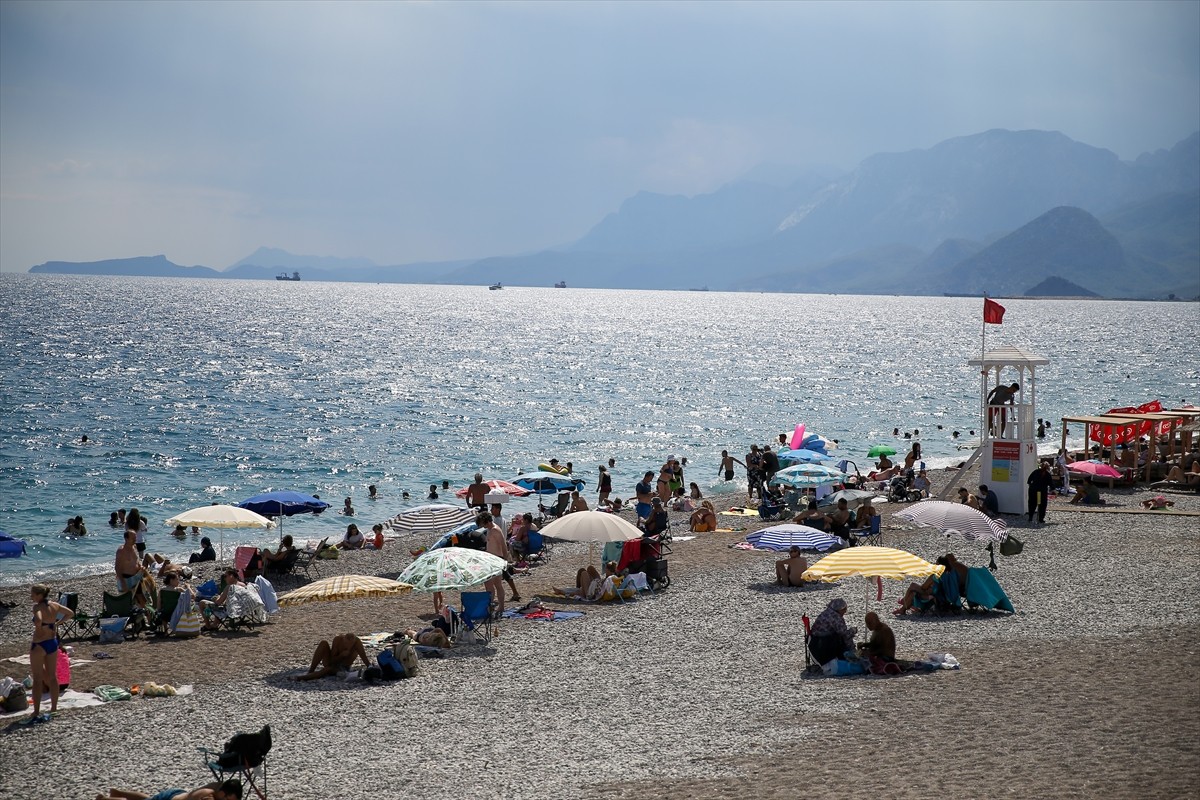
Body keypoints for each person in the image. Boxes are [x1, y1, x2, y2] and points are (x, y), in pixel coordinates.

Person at [26, 583, 72, 724]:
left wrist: (38, 627)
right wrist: (58, 623)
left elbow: (39, 619)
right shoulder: (54, 605)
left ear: (39, 595)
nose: (31, 597)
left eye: (33, 594)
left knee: (38, 679)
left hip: (39, 644)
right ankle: (53, 708)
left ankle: (36, 711)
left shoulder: (37, 607)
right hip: (52, 643)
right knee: (53, 677)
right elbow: (70, 613)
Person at [292, 633, 371, 681]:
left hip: (343, 668)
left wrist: (371, 668)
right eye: (346, 644)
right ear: (343, 640)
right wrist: (341, 655)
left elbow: (365, 659)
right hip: (332, 663)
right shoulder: (338, 640)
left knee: (326, 670)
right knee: (323, 643)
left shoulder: (357, 643)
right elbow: (331, 661)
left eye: (351, 644)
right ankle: (311, 670)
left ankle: (301, 678)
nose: (348, 646)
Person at [479, 512, 516, 611]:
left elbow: (503, 545)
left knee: (495, 584)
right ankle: (493, 605)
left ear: (486, 521)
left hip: (496, 559)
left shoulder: (495, 530)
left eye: (483, 523)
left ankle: (499, 606)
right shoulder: (490, 529)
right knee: (490, 584)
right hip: (491, 559)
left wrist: (504, 560)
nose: (482, 525)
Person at [808, 598, 856, 666]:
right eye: (844, 609)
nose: (845, 612)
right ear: (840, 609)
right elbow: (844, 634)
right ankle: (851, 655)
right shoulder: (836, 617)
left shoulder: (826, 613)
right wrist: (853, 631)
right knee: (843, 637)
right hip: (826, 646)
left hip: (814, 644)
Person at [94, 780, 243, 800]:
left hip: (177, 793)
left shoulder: (217, 785)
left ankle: (118, 793)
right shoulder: (208, 798)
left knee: (150, 799)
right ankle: (104, 799)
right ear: (223, 793)